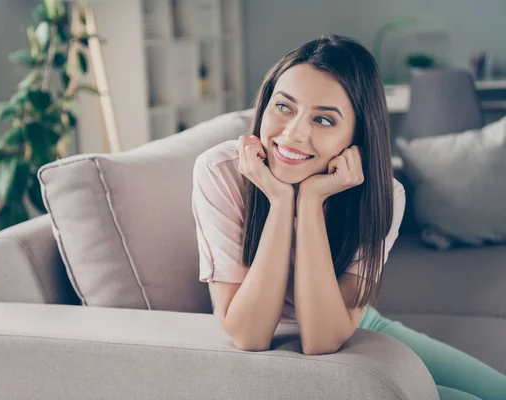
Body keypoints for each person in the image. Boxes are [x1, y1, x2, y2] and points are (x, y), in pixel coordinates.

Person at [191, 34, 506, 400]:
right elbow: (249, 335)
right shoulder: (221, 171)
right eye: (284, 107)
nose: (294, 134)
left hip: (352, 329)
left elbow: (326, 333)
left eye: (324, 120)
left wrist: (310, 201)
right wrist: (279, 201)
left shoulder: (382, 193)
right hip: (281, 343)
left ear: (356, 135)